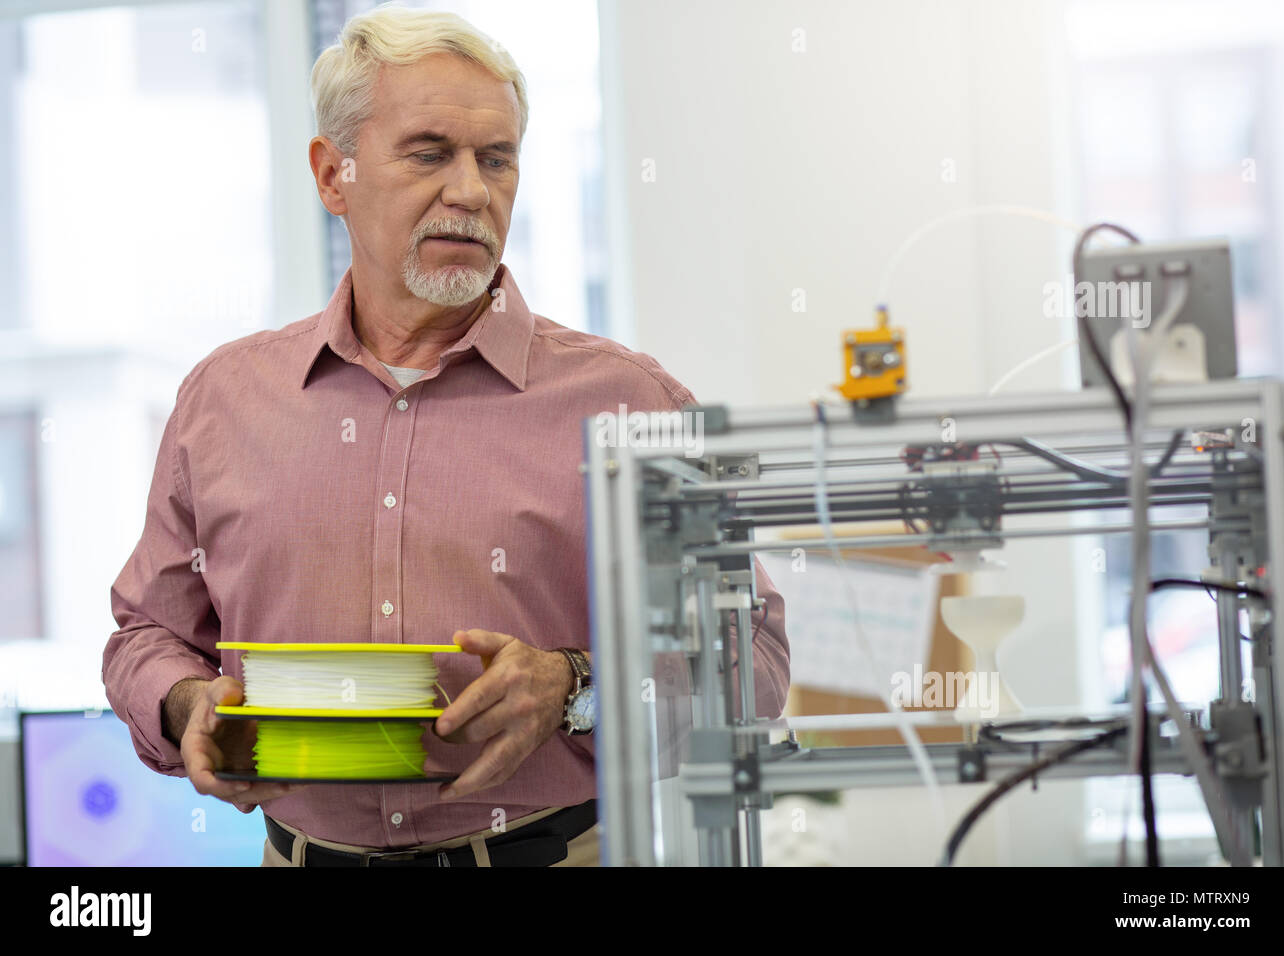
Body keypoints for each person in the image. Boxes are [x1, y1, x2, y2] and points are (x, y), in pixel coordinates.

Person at [103, 4, 790, 868]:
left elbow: (753, 660)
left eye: (496, 159)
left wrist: (577, 687)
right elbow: (143, 637)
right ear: (331, 174)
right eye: (430, 152)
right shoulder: (223, 401)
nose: (471, 189)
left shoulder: (630, 404)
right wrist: (185, 704)